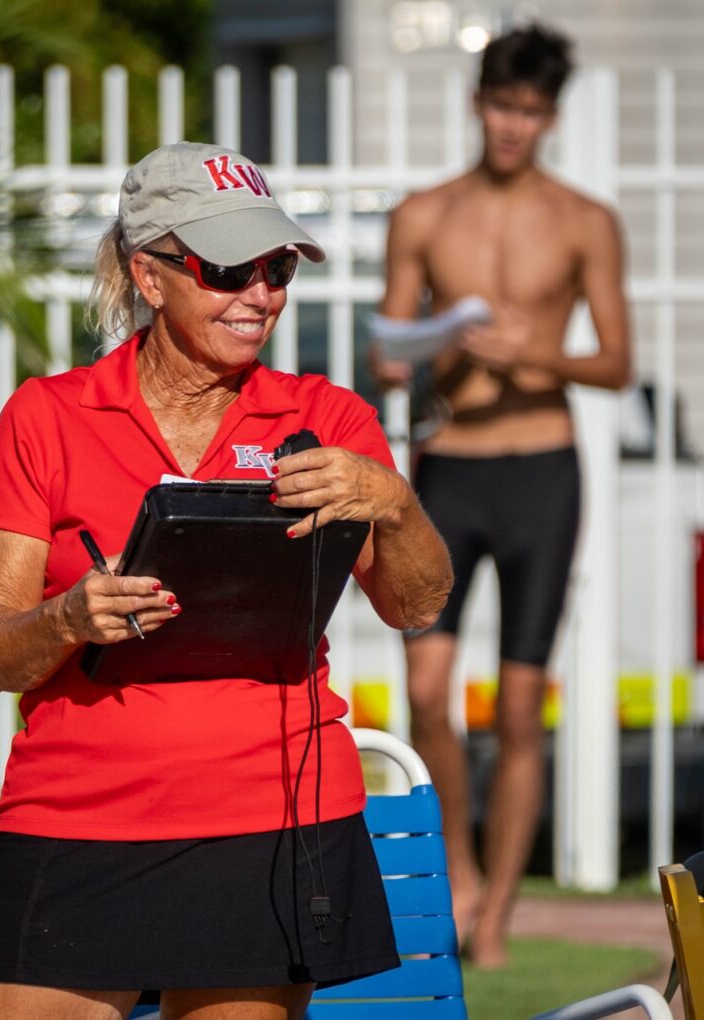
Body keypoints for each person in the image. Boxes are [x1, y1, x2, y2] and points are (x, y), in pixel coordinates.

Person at [0, 140, 453, 1020]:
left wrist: (393, 502)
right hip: (74, 814)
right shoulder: (47, 414)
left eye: (276, 266)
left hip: (267, 812)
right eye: (229, 269)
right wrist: (66, 618)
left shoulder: (327, 419)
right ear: (151, 277)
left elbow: (417, 605)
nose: (260, 294)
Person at [372, 24, 632, 968]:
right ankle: (463, 868)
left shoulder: (584, 220)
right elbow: (387, 354)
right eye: (500, 105)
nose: (513, 124)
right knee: (427, 691)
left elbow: (616, 360)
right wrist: (450, 346)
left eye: (530, 110)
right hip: (449, 467)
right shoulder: (425, 214)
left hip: (541, 468)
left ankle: (496, 912)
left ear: (551, 116)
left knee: (521, 708)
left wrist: (534, 353)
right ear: (477, 102)